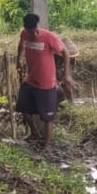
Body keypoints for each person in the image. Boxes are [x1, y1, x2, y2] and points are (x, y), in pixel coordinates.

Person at [15, 12, 69, 149]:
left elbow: (65, 52)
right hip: (31, 79)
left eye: (35, 31)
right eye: (31, 32)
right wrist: (18, 61)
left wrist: (67, 74)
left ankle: (47, 144)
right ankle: (34, 133)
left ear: (38, 26)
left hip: (46, 82)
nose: (34, 35)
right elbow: (20, 46)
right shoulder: (24, 34)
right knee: (23, 107)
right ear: (25, 28)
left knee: (47, 116)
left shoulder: (49, 37)